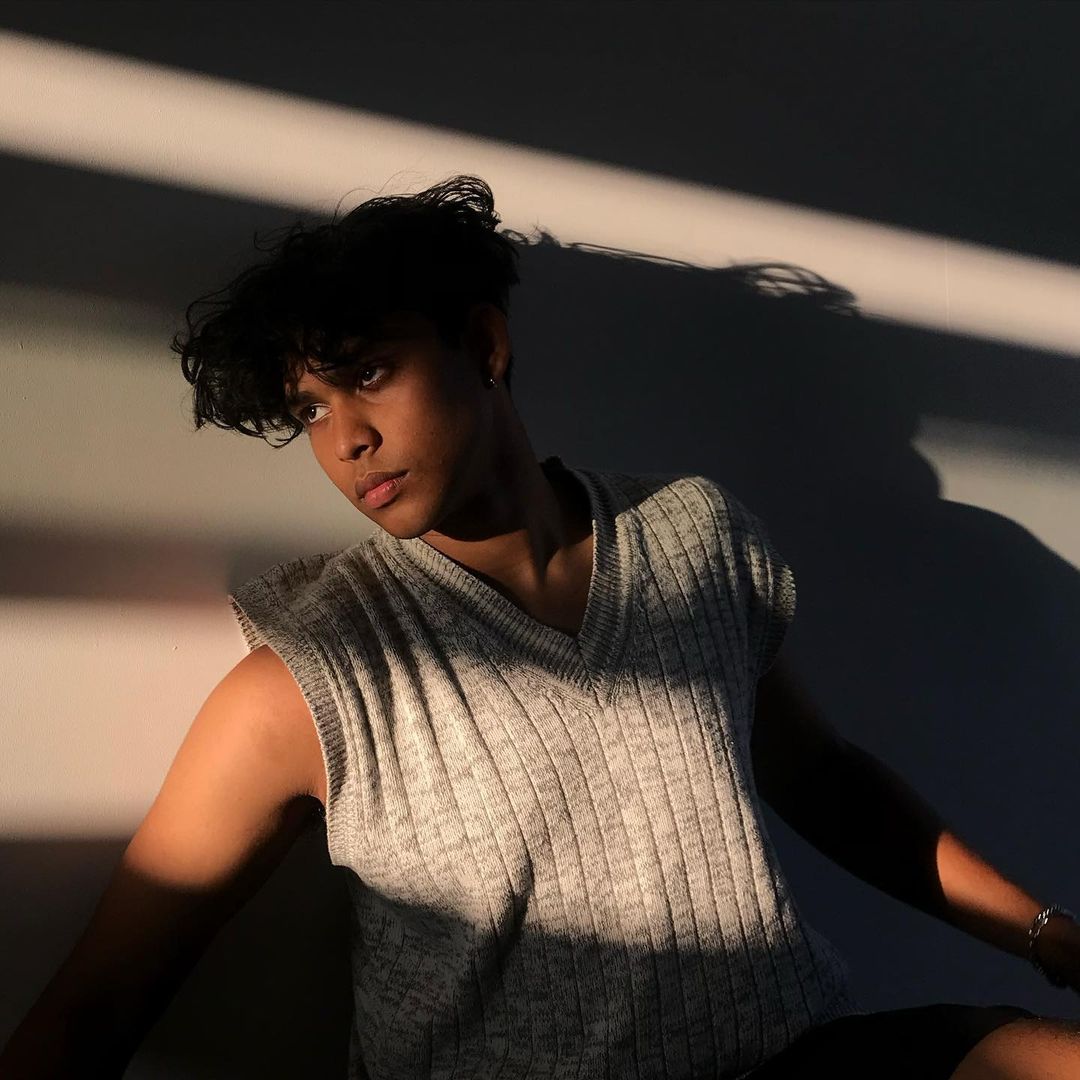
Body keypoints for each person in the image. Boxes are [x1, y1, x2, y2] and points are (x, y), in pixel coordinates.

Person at [2, 174, 1078, 1079]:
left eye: (368, 373)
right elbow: (100, 1001)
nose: (347, 441)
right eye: (311, 410)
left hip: (791, 1056)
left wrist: (1047, 935)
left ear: (484, 343)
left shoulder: (695, 539)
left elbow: (828, 784)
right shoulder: (312, 678)